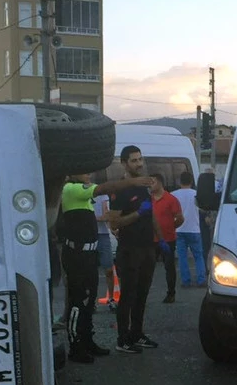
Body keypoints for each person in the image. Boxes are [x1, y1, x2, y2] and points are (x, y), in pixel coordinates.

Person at [57, 170, 154, 363]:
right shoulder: (72, 189)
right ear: (73, 174)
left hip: (88, 253)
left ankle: (87, 341)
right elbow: (106, 188)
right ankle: (76, 347)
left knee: (89, 300)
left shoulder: (82, 195)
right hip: (77, 255)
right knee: (79, 301)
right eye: (83, 172)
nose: (88, 175)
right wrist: (132, 182)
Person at [107, 146, 161, 353]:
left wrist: (161, 240)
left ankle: (137, 334)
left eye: (140, 159)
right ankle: (123, 339)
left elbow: (152, 215)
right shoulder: (120, 189)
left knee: (142, 294)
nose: (139, 163)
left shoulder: (143, 186)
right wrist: (138, 214)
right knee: (128, 296)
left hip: (148, 247)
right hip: (129, 250)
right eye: (134, 160)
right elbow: (114, 223)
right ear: (124, 163)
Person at [150, 174, 183, 304]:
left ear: (159, 183)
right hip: (151, 239)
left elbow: (180, 218)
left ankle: (171, 293)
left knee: (169, 267)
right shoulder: (148, 199)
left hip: (168, 240)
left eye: (152, 182)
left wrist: (171, 227)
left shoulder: (171, 199)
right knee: (147, 267)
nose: (150, 185)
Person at [172, 171, 206, 288]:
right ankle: (201, 280)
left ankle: (186, 281)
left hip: (179, 229)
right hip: (194, 229)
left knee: (182, 257)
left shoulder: (173, 195)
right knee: (198, 256)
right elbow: (203, 210)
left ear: (179, 181)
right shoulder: (197, 194)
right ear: (191, 181)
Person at [93, 192, 117, 311]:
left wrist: (92, 218)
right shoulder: (80, 193)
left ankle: (111, 298)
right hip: (90, 234)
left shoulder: (102, 196)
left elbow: (106, 216)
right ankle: (92, 300)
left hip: (102, 234)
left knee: (108, 269)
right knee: (91, 271)